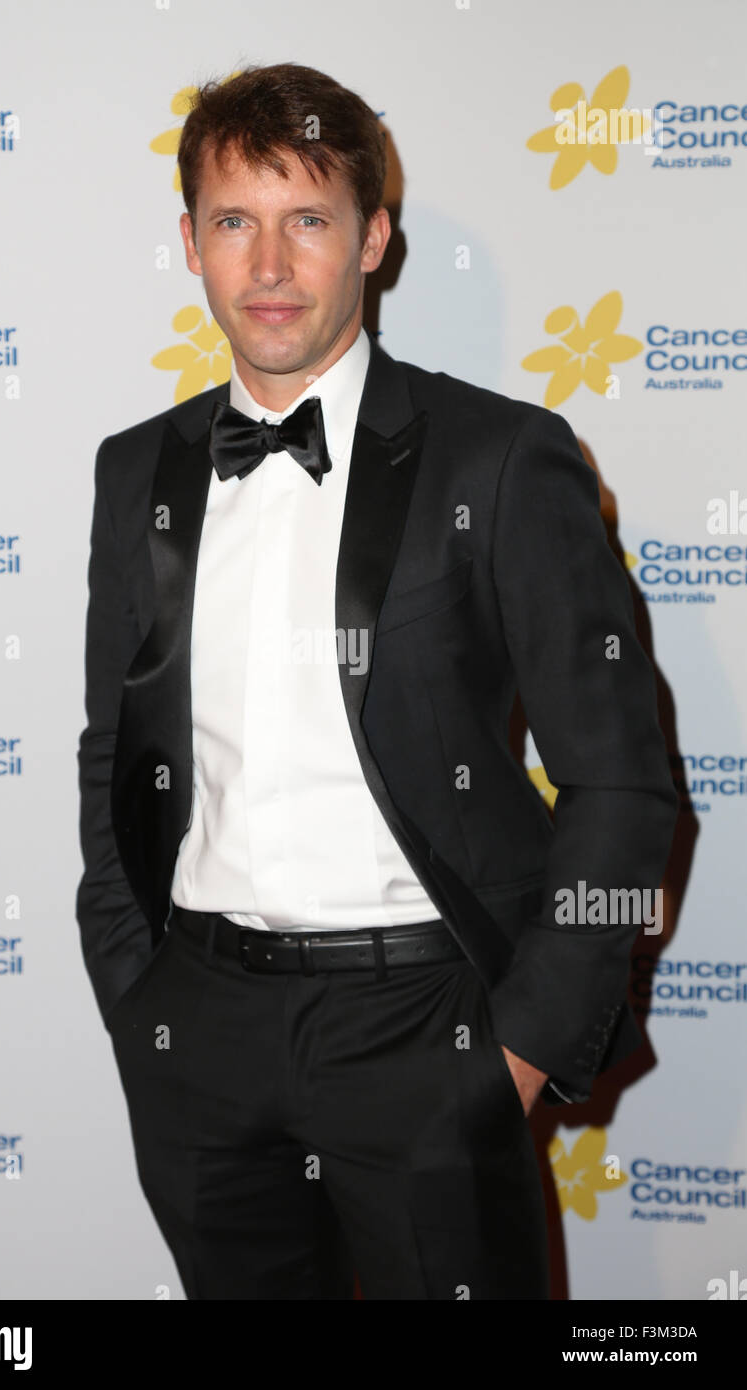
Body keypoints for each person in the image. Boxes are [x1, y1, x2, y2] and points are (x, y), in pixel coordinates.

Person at [76, 61, 678, 1300]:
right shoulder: (137, 470)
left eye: (308, 220)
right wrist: (138, 995)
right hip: (200, 1031)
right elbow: (112, 750)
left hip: (427, 1023)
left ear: (374, 239)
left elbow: (621, 783)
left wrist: (515, 1050)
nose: (272, 266)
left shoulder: (501, 458)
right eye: (235, 222)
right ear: (189, 244)